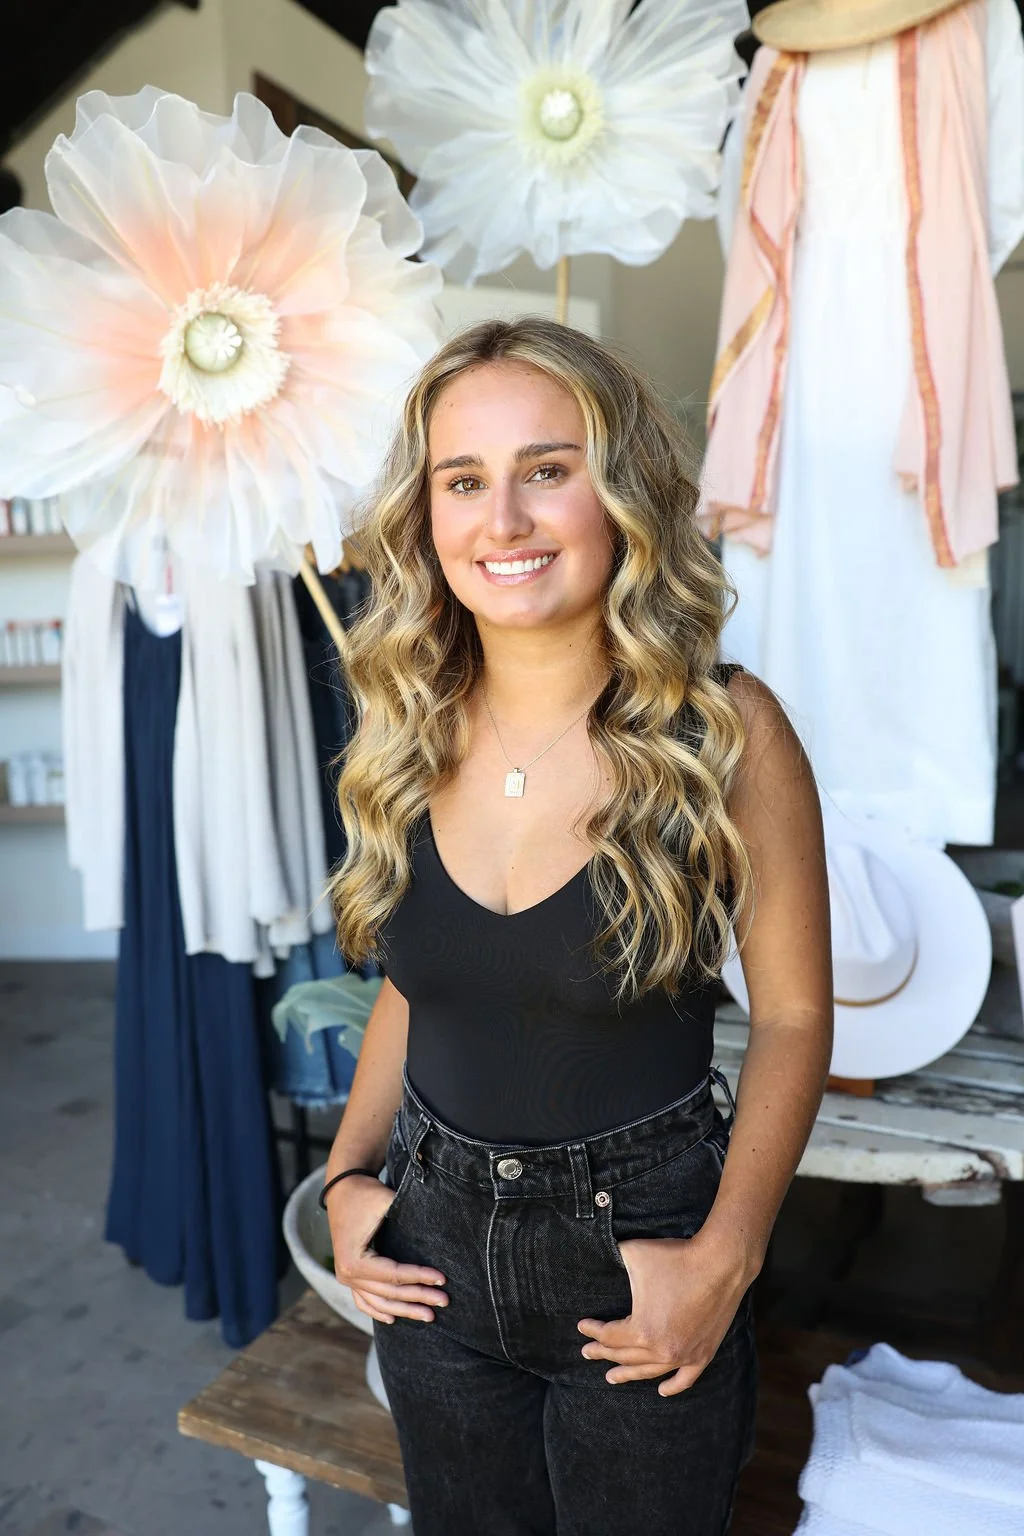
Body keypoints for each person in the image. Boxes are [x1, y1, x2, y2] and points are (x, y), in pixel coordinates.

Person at [322, 318, 832, 1535]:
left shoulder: (726, 731)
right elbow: (419, 983)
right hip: (431, 1253)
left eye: (546, 469)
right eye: (464, 480)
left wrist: (726, 1257)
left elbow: (799, 1016)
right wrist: (346, 1173)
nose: (503, 521)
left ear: (622, 493)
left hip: (640, 1255)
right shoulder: (404, 725)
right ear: (426, 513)